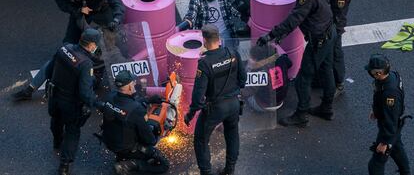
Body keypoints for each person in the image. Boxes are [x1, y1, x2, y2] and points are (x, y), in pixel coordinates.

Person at [257, 0, 336, 127]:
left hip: (319, 39)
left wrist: (271, 35)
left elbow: (294, 19)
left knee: (303, 79)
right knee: (326, 70)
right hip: (330, 31)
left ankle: (301, 114)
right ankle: (327, 108)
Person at [184, 24, 247, 175]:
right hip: (233, 104)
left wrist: (190, 114)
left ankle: (206, 172)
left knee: (201, 140)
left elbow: (198, 97)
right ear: (219, 39)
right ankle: (229, 170)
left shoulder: (204, 63)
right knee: (232, 134)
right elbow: (243, 79)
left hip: (215, 108)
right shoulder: (232, 53)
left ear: (204, 41)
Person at [44, 28, 100, 175]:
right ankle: (64, 165)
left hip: (54, 96)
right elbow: (85, 93)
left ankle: (57, 142)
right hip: (70, 103)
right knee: (72, 132)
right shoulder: (86, 63)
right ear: (92, 45)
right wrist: (97, 102)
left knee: (56, 120)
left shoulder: (64, 48)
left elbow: (48, 71)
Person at [99, 70, 169, 175]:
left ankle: (122, 157)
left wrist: (148, 100)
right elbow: (149, 140)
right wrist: (155, 133)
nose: (135, 84)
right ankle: (129, 164)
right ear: (129, 87)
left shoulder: (110, 96)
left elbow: (127, 104)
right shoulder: (137, 110)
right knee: (163, 165)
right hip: (127, 148)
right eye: (133, 82)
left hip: (110, 141)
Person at [313, 0, 351, 96]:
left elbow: (338, 17)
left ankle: (339, 84)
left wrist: (331, 32)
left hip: (332, 27)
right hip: (323, 23)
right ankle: (320, 79)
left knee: (335, 56)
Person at [365, 54, 411, 175]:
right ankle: (405, 172)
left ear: (378, 74)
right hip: (394, 123)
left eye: (371, 71)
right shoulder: (393, 75)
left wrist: (384, 142)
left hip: (390, 127)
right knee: (396, 148)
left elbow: (390, 120)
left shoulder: (390, 94)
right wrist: (375, 110)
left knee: (376, 164)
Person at [178, 0, 242, 47]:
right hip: (206, 35)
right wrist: (186, 22)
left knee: (229, 54)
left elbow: (236, 11)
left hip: (224, 33)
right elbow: (191, 15)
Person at [241, 45, 292, 112]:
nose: (249, 59)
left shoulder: (258, 73)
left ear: (259, 61)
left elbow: (247, 92)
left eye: (251, 57)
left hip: (263, 105)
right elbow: (290, 63)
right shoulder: (282, 59)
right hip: (280, 100)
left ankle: (254, 109)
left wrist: (249, 69)